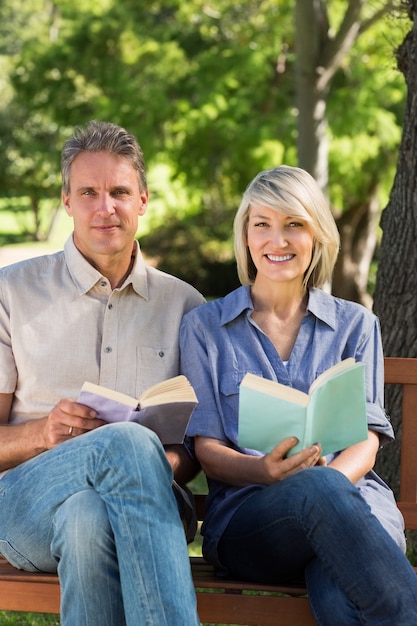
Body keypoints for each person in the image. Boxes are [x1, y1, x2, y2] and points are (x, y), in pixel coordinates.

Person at [179, 165, 417, 625]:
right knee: (326, 509)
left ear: (318, 235)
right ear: (246, 236)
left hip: (353, 502)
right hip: (253, 520)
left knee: (336, 580)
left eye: (294, 224)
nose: (278, 240)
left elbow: (366, 441)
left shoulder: (356, 325)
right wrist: (265, 472)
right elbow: (206, 450)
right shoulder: (205, 328)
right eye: (262, 224)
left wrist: (327, 490)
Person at [0, 120, 205, 626]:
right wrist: (42, 434)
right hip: (26, 503)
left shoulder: (186, 306)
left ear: (143, 200)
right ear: (67, 201)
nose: (104, 207)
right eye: (88, 192)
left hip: (146, 505)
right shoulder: (10, 293)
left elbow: (199, 445)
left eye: (119, 191)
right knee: (125, 443)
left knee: (90, 516)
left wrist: (154, 465)